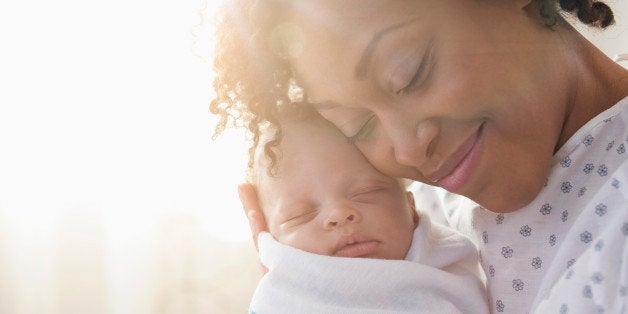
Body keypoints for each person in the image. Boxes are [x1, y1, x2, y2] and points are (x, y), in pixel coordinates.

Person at [210, 0, 628, 312]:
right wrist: (318, 282)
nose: (408, 150)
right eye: (357, 126)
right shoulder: (421, 214)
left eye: (410, 74)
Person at [246, 107, 488, 313]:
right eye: (300, 214)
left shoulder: (453, 274)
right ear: (272, 244)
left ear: (411, 209)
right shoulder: (281, 301)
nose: (338, 214)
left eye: (366, 192)